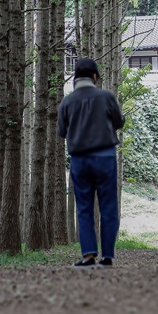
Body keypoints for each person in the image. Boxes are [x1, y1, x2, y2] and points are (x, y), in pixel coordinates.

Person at [57, 57, 125, 267]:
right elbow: (119, 121)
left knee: (84, 208)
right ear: (95, 76)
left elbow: (61, 131)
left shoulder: (67, 102)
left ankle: (88, 255)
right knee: (108, 207)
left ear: (76, 78)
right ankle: (107, 256)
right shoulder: (106, 97)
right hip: (105, 158)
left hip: (80, 160)